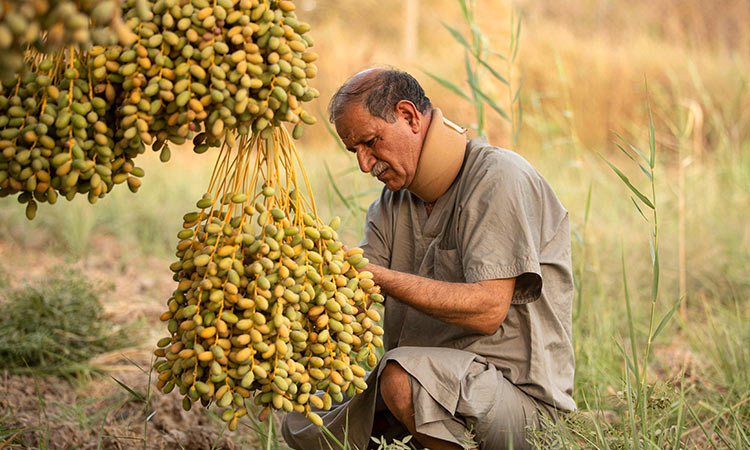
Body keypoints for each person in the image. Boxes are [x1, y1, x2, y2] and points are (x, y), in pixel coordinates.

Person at [282, 68, 575, 450]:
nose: (365, 165)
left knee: (400, 378)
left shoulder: (499, 177)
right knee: (304, 421)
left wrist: (378, 277)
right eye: (355, 151)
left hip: (519, 405)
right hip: (431, 392)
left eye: (371, 143)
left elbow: (488, 310)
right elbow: (354, 298)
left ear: (409, 116)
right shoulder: (389, 205)